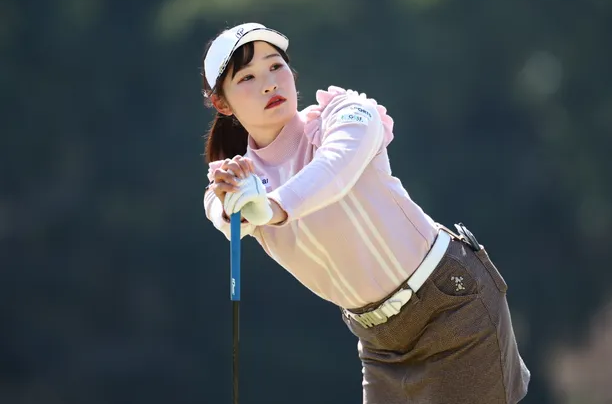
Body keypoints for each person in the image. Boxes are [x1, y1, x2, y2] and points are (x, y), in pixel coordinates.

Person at [200, 22, 530, 404]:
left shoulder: (344, 112)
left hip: (450, 303)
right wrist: (235, 203)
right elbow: (219, 210)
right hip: (380, 341)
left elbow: (335, 169)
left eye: (276, 66)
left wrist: (271, 207)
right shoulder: (243, 176)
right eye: (247, 77)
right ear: (222, 104)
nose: (269, 84)